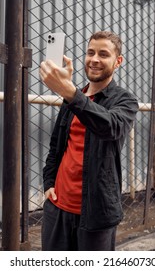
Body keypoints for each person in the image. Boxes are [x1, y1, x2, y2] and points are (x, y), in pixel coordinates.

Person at [39, 31, 139, 251]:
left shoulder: (125, 100)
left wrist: (71, 93)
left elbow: (110, 127)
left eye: (103, 54)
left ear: (117, 61)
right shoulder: (72, 98)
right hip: (58, 208)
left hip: (96, 212)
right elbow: (56, 146)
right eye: (90, 52)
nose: (94, 59)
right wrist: (48, 183)